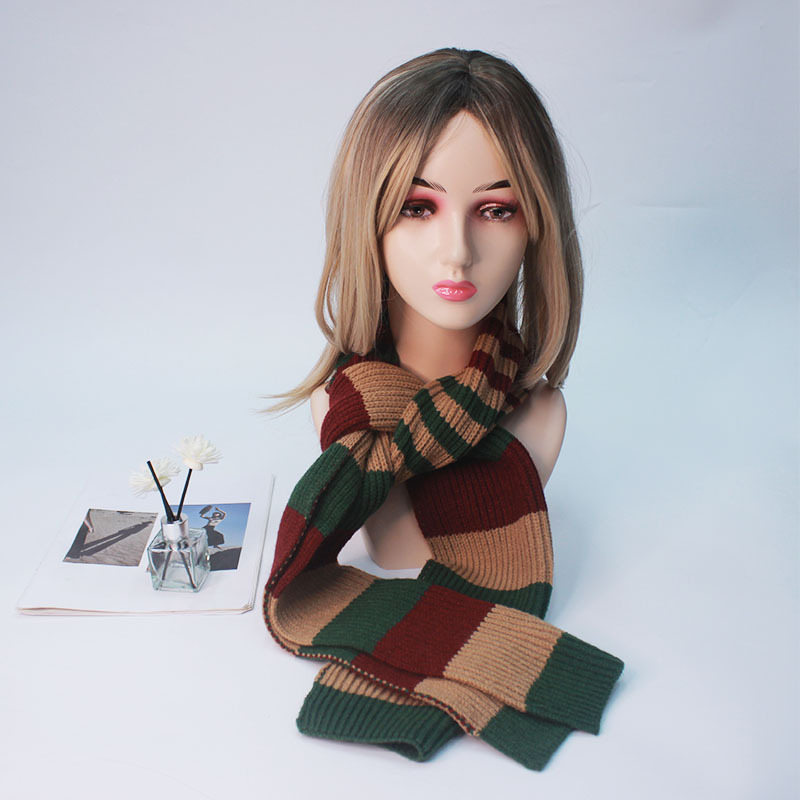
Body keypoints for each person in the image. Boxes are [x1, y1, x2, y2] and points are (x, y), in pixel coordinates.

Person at [264, 47, 583, 569]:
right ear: (367, 221)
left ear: (537, 226)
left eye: (496, 210)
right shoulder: (341, 412)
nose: (458, 252)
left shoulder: (540, 419)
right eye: (417, 208)